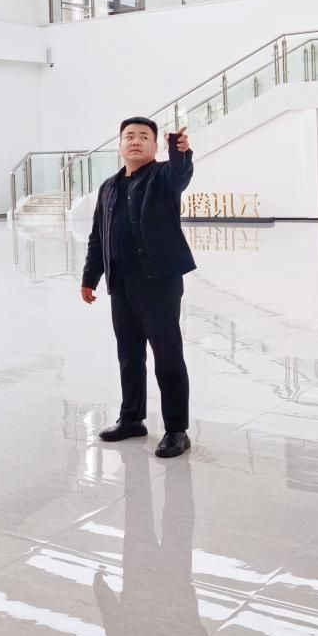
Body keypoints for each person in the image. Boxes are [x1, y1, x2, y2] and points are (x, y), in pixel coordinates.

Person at [81, 118, 196, 459]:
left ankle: (177, 430)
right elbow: (98, 235)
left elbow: (181, 174)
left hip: (159, 283)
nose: (135, 141)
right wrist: (90, 277)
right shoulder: (109, 187)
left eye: (144, 136)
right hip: (121, 284)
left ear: (155, 146)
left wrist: (181, 153)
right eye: (129, 136)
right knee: (129, 355)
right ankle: (131, 418)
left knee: (167, 356)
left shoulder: (163, 176)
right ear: (119, 145)